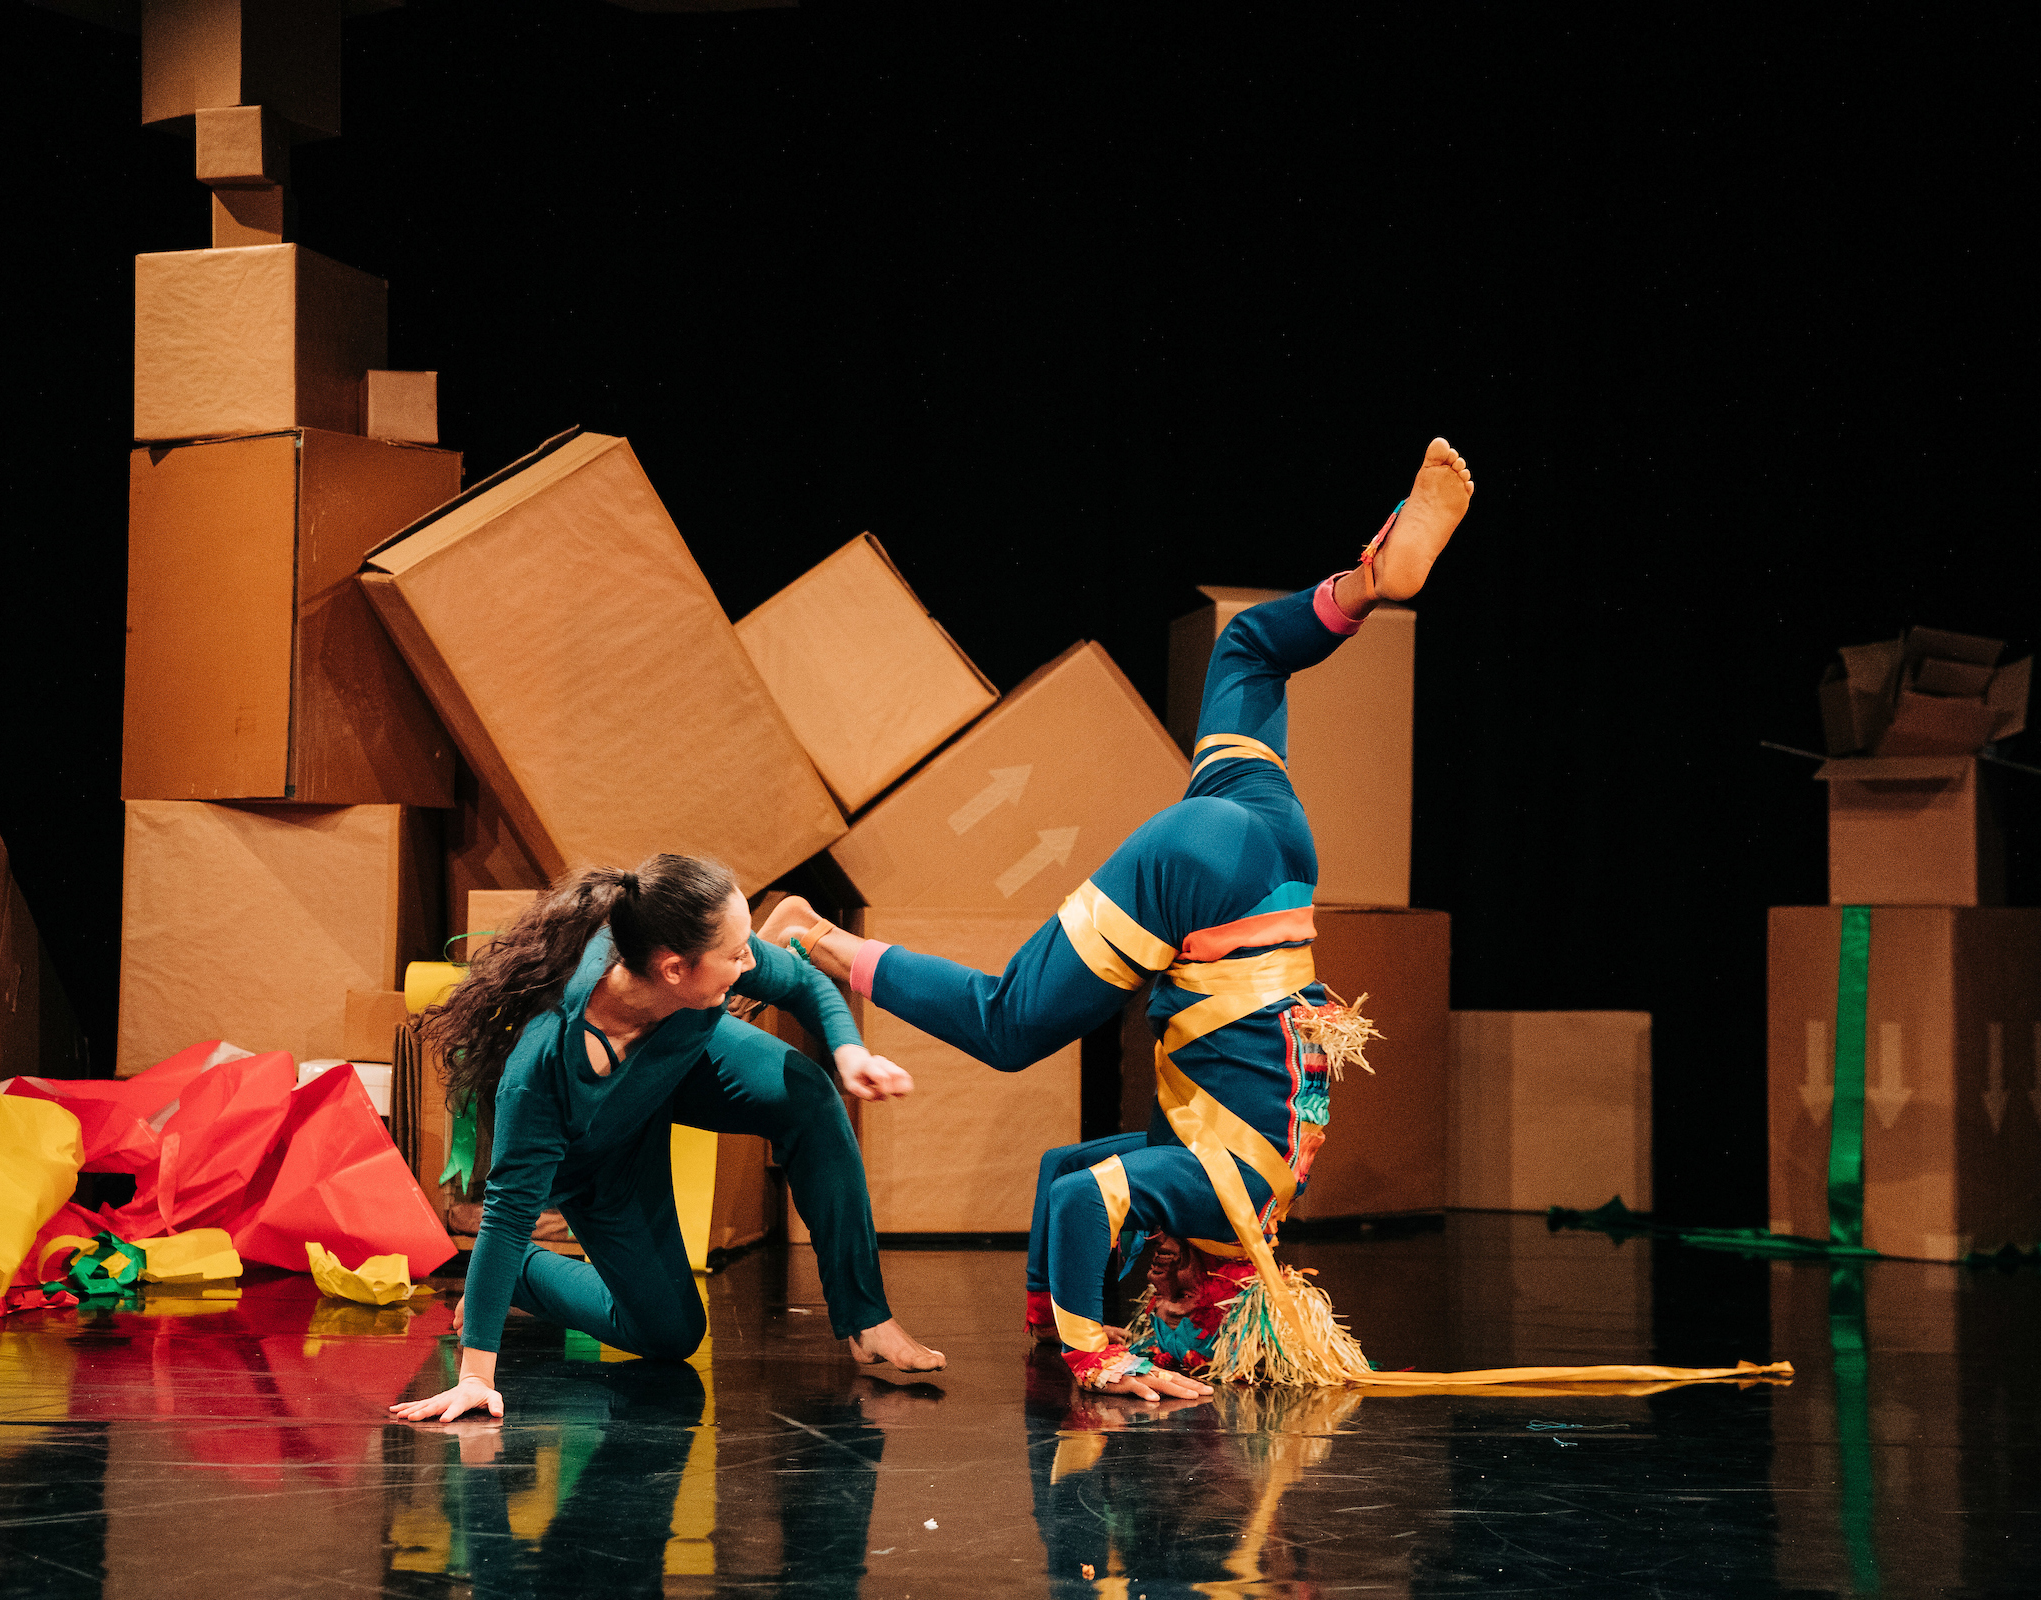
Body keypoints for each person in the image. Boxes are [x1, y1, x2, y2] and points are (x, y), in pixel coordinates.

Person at [778, 440, 1477, 1397]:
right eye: (1177, 1308)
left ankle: (1363, 584)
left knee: (1247, 650)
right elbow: (1085, 1205)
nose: (1160, 1293)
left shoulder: (1251, 1184)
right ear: (1219, 1294)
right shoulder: (1222, 1212)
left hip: (1277, 854)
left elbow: (1068, 1170)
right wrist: (1096, 1353)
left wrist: (1046, 1317)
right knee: (1005, 1024)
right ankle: (815, 935)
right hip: (1205, 879)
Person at [391, 855, 945, 1425]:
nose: (750, 960)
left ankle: (865, 1317)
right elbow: (506, 1218)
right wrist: (476, 1376)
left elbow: (804, 981)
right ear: (675, 969)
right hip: (602, 1158)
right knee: (670, 1334)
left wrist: (851, 1054)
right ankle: (525, 1277)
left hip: (679, 1057)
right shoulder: (542, 1071)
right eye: (737, 953)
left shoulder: (688, 957)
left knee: (808, 1095)